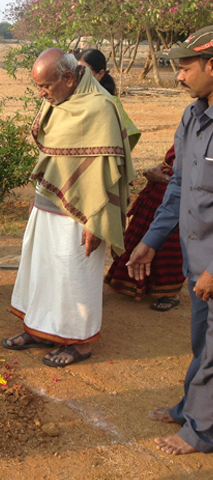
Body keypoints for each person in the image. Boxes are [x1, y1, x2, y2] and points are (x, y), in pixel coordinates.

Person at [2, 49, 134, 367]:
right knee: (43, 268)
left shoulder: (102, 108)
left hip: (84, 211)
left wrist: (96, 224)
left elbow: (107, 175)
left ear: (68, 78)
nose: (41, 93)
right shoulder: (57, 102)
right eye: (38, 86)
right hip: (47, 200)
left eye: (45, 86)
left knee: (74, 274)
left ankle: (80, 341)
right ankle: (41, 329)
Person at [127, 25, 213, 455]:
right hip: (197, 259)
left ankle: (200, 431)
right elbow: (178, 186)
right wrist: (151, 239)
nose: (178, 77)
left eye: (186, 68)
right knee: (202, 340)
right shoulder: (193, 116)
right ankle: (190, 407)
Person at [77, 49, 185, 310]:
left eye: (86, 71)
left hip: (163, 181)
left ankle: (167, 290)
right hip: (167, 175)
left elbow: (121, 146)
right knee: (142, 231)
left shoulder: (108, 104)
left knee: (167, 237)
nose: (180, 77)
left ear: (101, 74)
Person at [105, 145, 185, 310]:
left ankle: (169, 292)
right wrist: (157, 170)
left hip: (177, 198)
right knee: (143, 239)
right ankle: (135, 282)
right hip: (163, 193)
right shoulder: (193, 122)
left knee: (169, 245)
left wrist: (165, 179)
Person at [76, 49, 141, 150]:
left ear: (100, 74)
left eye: (85, 73)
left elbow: (125, 141)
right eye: (76, 72)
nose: (79, 78)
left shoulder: (109, 104)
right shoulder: (69, 102)